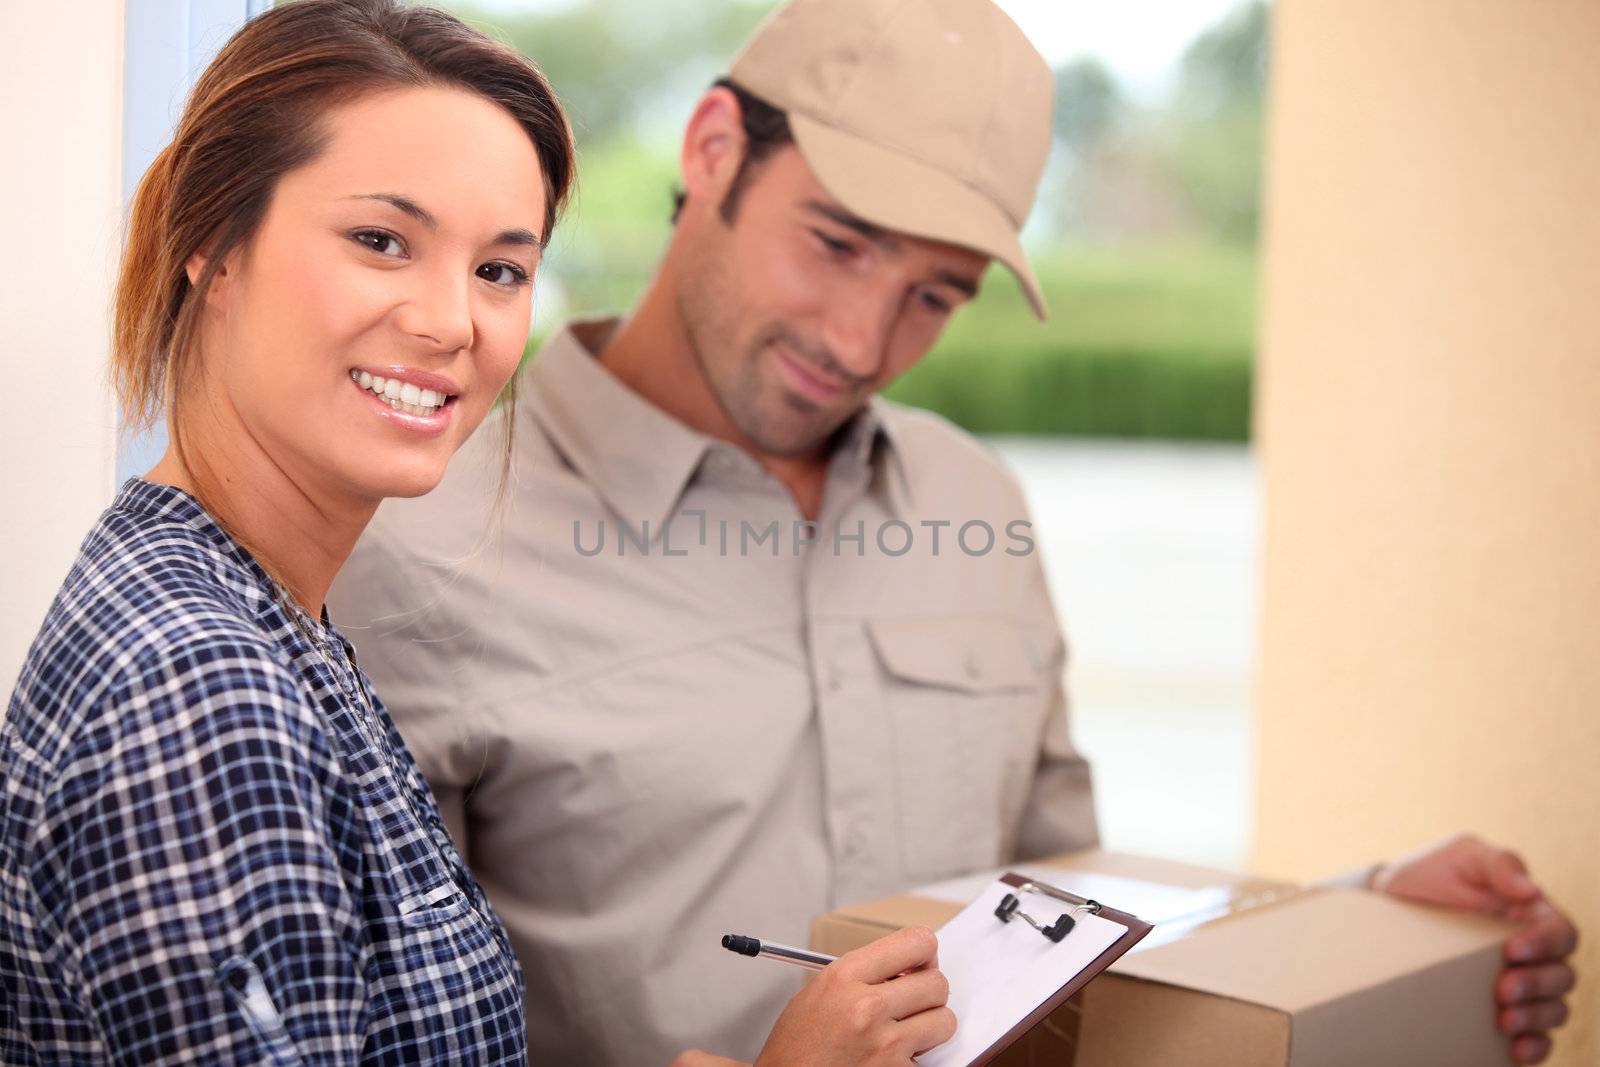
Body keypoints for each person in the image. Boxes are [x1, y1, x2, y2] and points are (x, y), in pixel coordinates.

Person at [329, 0, 1578, 1064]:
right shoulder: (416, 533)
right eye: (837, 243)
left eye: (934, 293)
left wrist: (1358, 923)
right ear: (714, 147)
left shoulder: (973, 500)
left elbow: (1070, 912)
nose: (863, 343)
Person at [0, 3, 954, 1065]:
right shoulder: (200, 689)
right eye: (380, 241)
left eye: (500, 269)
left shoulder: (259, 612)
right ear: (211, 248)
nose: (452, 321)